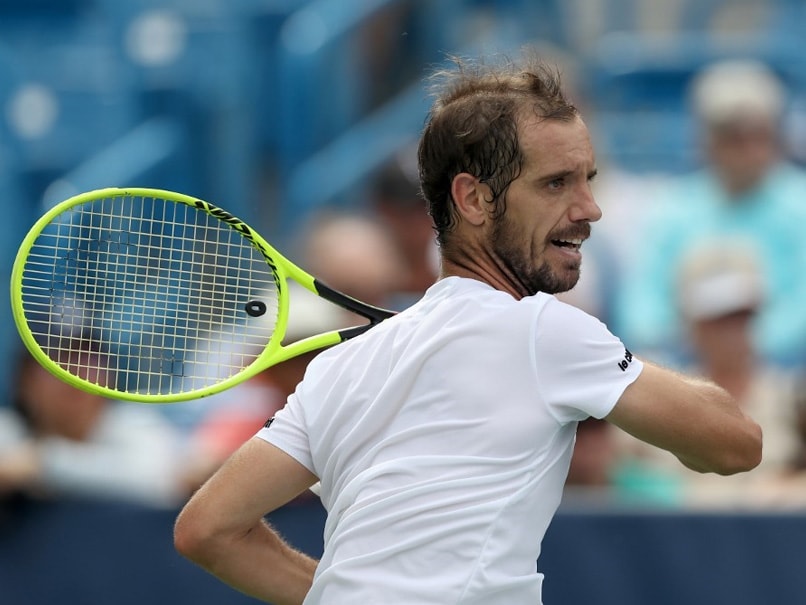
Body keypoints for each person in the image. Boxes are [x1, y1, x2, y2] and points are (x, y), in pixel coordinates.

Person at [174, 51, 762, 605]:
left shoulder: (336, 368)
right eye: (556, 183)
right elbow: (735, 444)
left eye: (589, 178)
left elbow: (208, 530)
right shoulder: (547, 332)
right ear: (474, 199)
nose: (590, 207)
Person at [615, 59, 806, 368]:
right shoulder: (673, 207)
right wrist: (693, 349)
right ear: (707, 140)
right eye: (732, 137)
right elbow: (642, 309)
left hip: (782, 374)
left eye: (758, 135)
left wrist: (734, 348)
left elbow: (799, 312)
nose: (747, 151)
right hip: (684, 366)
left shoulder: (800, 205)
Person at [0, 344, 184, 508]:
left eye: (87, 359)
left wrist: (44, 463)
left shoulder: (137, 423)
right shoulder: (7, 428)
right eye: (55, 360)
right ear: (25, 380)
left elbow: (160, 481)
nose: (73, 373)